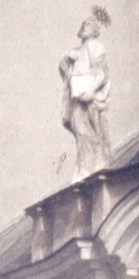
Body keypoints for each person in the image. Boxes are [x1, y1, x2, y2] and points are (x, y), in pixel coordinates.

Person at [59, 11, 111, 180]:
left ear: (95, 29)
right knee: (80, 130)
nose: (86, 26)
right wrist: (67, 57)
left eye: (89, 24)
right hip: (76, 96)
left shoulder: (95, 46)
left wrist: (91, 90)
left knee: (89, 131)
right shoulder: (77, 50)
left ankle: (92, 166)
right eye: (85, 24)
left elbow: (103, 72)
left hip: (88, 97)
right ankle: (84, 166)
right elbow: (65, 69)